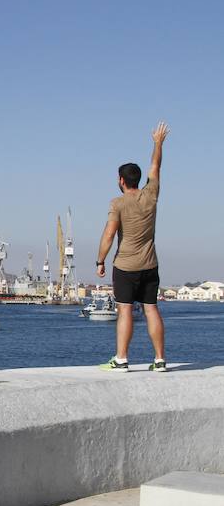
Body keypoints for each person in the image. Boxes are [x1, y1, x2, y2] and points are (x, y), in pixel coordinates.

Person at [96, 121, 169, 373]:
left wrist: (100, 260)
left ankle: (122, 359)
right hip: (151, 265)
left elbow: (109, 233)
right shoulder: (152, 195)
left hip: (126, 266)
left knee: (124, 310)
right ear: (137, 179)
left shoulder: (117, 203)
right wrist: (158, 143)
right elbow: (156, 166)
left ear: (120, 180)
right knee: (151, 309)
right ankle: (160, 360)